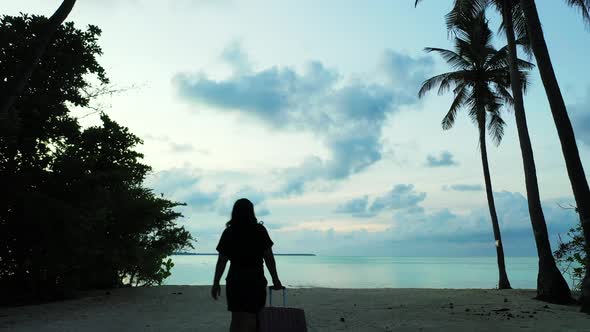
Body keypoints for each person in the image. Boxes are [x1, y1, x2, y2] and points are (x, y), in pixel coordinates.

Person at [211, 198, 283, 332]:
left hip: (235, 280)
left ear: (234, 213)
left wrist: (216, 282)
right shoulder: (260, 230)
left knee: (237, 318)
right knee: (255, 316)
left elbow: (222, 261)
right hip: (255, 280)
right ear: (251, 212)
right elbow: (269, 258)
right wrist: (275, 279)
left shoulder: (229, 232)